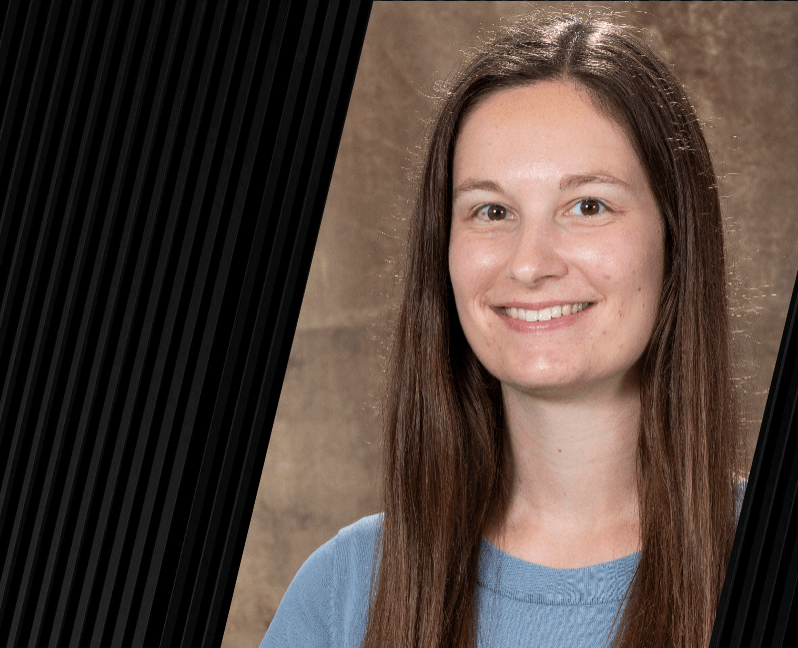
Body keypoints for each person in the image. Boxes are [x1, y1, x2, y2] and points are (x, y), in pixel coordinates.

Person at [261, 11, 746, 648]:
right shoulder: (343, 595)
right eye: (491, 211)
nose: (529, 263)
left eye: (588, 205)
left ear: (675, 236)